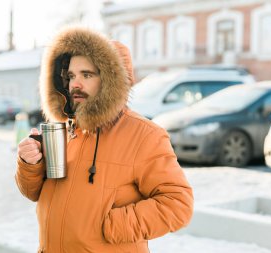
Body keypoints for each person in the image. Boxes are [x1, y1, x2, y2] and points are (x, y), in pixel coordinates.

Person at [15, 26, 194, 253]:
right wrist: (30, 165)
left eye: (87, 75)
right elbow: (34, 192)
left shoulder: (145, 135)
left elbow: (178, 205)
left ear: (111, 80)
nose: (74, 84)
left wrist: (112, 226)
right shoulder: (64, 129)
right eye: (71, 76)